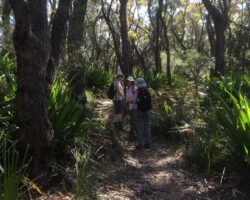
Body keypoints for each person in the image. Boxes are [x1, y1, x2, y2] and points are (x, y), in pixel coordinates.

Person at [135, 77, 152, 149]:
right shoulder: (147, 92)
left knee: (139, 128)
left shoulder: (137, 92)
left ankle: (140, 144)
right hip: (147, 112)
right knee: (147, 127)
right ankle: (148, 144)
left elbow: (135, 101)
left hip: (139, 112)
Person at [125, 76, 137, 140]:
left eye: (129, 81)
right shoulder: (127, 88)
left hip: (133, 107)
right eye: (127, 81)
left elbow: (136, 97)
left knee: (133, 121)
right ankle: (134, 135)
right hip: (129, 107)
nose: (128, 82)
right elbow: (127, 97)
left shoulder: (134, 88)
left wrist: (131, 101)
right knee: (131, 121)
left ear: (132, 82)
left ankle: (132, 136)